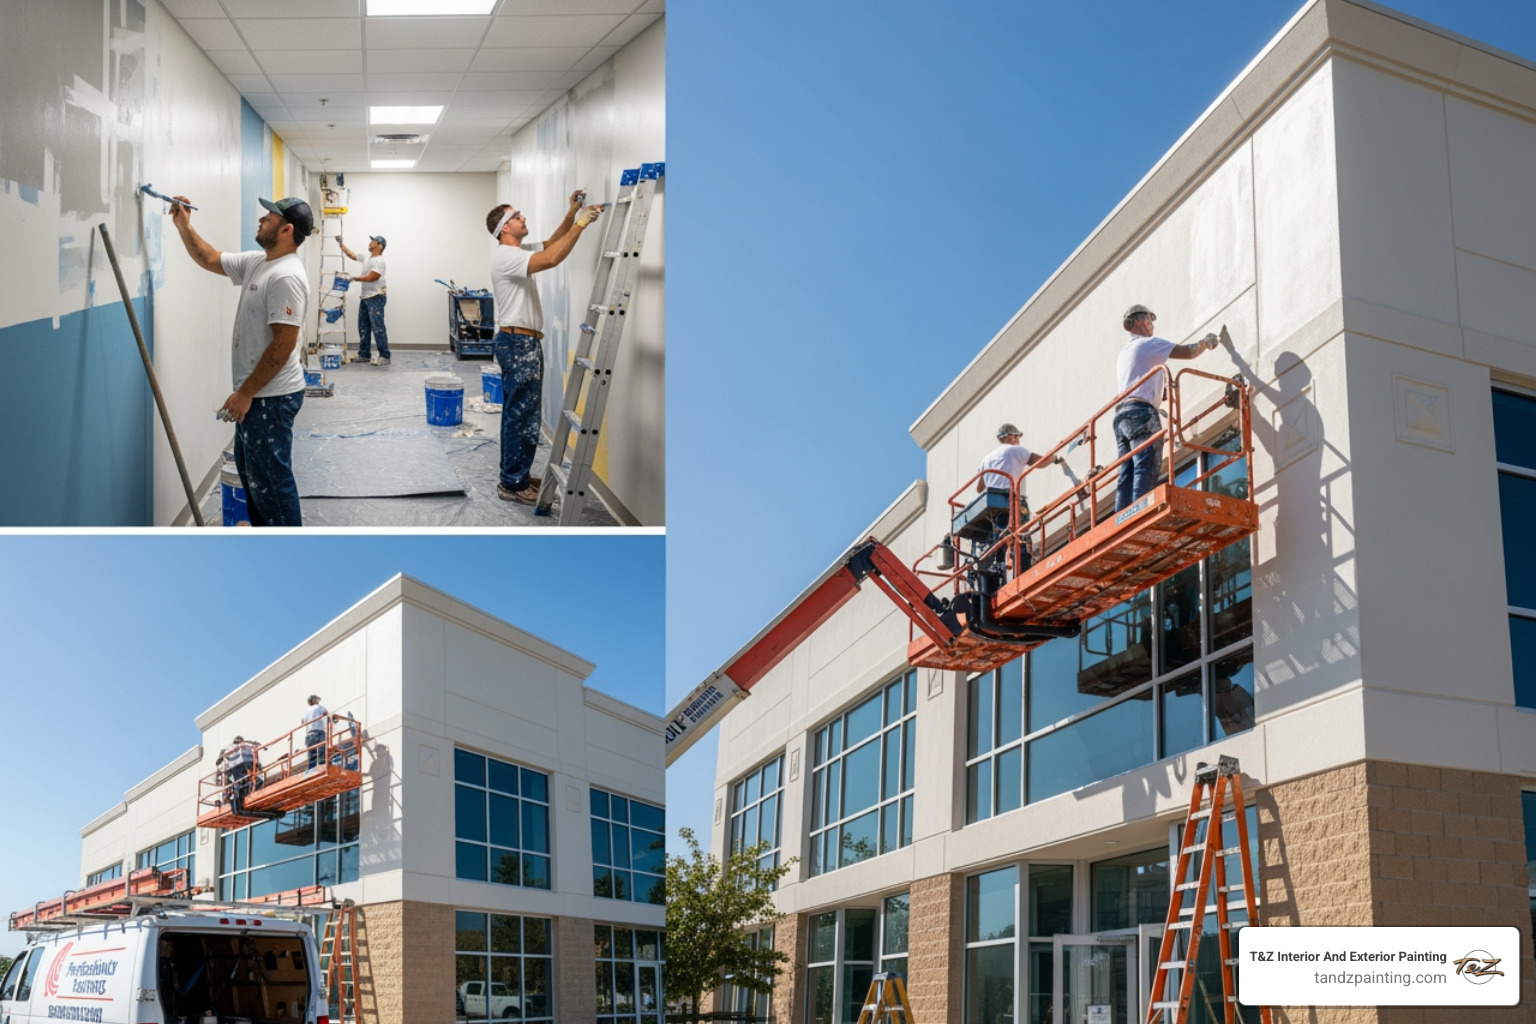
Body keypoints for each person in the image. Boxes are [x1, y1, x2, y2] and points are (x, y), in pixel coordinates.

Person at [169, 195, 312, 527]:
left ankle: (289, 549)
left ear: (286, 230)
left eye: (269, 218)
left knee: (272, 486)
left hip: (271, 398)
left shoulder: (286, 276)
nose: (261, 220)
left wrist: (245, 393)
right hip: (258, 396)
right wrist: (183, 224)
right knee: (254, 482)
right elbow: (208, 258)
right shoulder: (258, 262)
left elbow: (283, 344)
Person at [485, 191, 606, 504]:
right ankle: (512, 483)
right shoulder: (507, 256)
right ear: (504, 228)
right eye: (516, 216)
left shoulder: (517, 251)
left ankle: (517, 476)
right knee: (520, 416)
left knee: (524, 415)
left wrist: (572, 214)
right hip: (517, 343)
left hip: (521, 341)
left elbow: (551, 245)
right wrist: (581, 224)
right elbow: (552, 259)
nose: (522, 218)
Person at [1113, 304, 1220, 512]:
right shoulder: (1148, 343)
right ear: (1140, 321)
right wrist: (1205, 342)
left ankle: (1121, 516)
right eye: (1150, 320)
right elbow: (1188, 352)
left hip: (1121, 416)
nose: (1152, 325)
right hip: (1140, 412)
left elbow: (1137, 377)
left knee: (1127, 470)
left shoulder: (1125, 352)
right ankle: (1140, 511)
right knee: (1145, 462)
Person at [337, 234, 390, 365]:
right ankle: (364, 354)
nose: (370, 243)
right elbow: (352, 255)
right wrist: (341, 244)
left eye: (374, 241)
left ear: (380, 246)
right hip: (366, 296)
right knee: (363, 326)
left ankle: (384, 356)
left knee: (378, 327)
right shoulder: (367, 256)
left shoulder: (379, 261)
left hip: (376, 296)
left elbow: (372, 277)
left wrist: (353, 278)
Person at [219, 735, 258, 812]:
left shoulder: (242, 745)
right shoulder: (232, 748)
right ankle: (236, 797)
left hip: (239, 767)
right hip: (238, 768)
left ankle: (238, 796)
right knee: (240, 783)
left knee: (241, 782)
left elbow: (255, 744)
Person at [303, 694, 328, 770]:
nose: (318, 701)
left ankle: (312, 769)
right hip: (319, 732)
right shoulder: (320, 707)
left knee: (312, 755)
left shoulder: (307, 711)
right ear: (314, 700)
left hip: (309, 735)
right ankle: (322, 767)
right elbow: (325, 712)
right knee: (321, 752)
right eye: (317, 699)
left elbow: (303, 721)